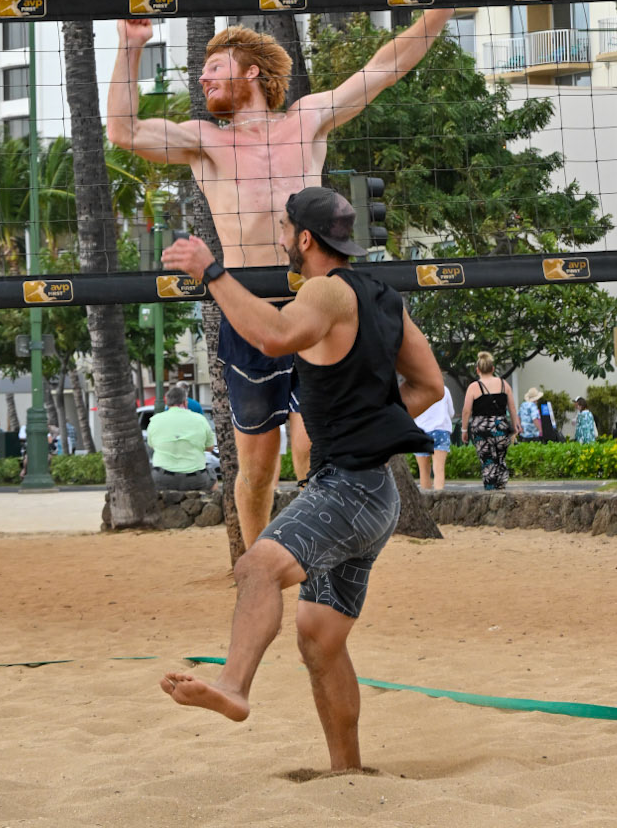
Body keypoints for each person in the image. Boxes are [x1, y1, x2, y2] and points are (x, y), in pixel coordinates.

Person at [109, 0, 457, 548]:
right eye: (201, 72)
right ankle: (255, 569)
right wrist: (130, 45)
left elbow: (385, 68)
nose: (203, 79)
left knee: (309, 446)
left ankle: (318, 555)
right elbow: (122, 130)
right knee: (256, 470)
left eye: (213, 68)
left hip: (311, 307)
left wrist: (438, 11)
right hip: (249, 312)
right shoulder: (204, 141)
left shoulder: (308, 118)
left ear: (250, 71)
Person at [158, 186, 443, 770]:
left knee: (257, 566)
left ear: (307, 239)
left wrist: (211, 271)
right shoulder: (386, 297)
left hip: (347, 490)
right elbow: (431, 386)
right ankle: (348, 770)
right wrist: (369, 427)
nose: (281, 239)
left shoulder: (322, 290)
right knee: (319, 639)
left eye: (286, 230)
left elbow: (274, 336)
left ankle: (235, 686)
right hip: (376, 493)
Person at [460, 354, 518, 490]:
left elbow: (466, 411)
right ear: (493, 368)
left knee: (487, 460)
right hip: (501, 426)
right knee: (500, 459)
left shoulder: (474, 387)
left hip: (481, 428)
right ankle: (501, 487)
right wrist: (515, 425)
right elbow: (512, 407)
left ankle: (490, 489)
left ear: (477, 370)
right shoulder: (504, 384)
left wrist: (464, 429)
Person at [145, 383, 216, 492]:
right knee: (213, 478)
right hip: (195, 478)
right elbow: (210, 447)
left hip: (162, 477)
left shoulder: (155, 420)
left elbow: (152, 445)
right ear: (185, 402)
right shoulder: (200, 419)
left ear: (167, 403)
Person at [414, 380, 455, 493]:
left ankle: (425, 503)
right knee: (439, 469)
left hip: (420, 432)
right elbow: (451, 412)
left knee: (424, 471)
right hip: (440, 430)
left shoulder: (415, 391)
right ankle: (439, 499)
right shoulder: (444, 390)